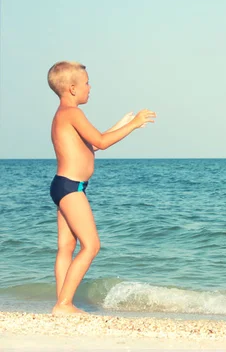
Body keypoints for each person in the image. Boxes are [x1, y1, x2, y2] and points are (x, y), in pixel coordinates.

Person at [48, 61, 156, 315]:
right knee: (91, 246)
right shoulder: (73, 113)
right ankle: (63, 305)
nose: (90, 87)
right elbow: (102, 143)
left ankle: (62, 301)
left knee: (66, 247)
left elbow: (93, 145)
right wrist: (135, 123)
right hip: (72, 188)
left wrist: (121, 124)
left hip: (62, 185)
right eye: (86, 83)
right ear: (73, 88)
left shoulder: (62, 114)